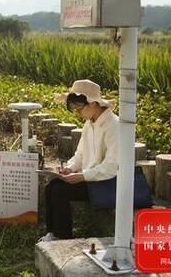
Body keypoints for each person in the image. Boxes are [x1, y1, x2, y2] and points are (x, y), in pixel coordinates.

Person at [38, 79, 119, 242]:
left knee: (59, 191)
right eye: (73, 108)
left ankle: (62, 236)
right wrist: (70, 168)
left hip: (109, 183)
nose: (77, 112)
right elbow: (80, 154)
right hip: (93, 178)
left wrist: (82, 176)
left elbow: (112, 167)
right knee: (52, 186)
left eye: (79, 108)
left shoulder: (114, 125)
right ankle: (54, 233)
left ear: (94, 103)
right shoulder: (90, 124)